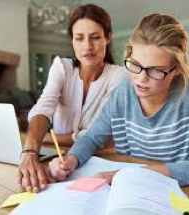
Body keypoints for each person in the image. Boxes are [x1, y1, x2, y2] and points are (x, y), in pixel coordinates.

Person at [49, 13, 189, 187]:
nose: (141, 79)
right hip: (133, 191)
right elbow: (91, 138)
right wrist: (71, 159)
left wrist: (136, 174)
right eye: (135, 65)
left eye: (155, 70)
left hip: (185, 194)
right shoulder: (123, 91)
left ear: (177, 70)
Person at [18, 4, 127, 192]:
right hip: (57, 158)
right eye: (79, 38)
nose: (87, 46)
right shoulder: (61, 67)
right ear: (72, 41)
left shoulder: (119, 76)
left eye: (95, 37)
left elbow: (99, 136)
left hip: (98, 159)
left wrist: (45, 137)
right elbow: (44, 106)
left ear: (108, 38)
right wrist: (29, 151)